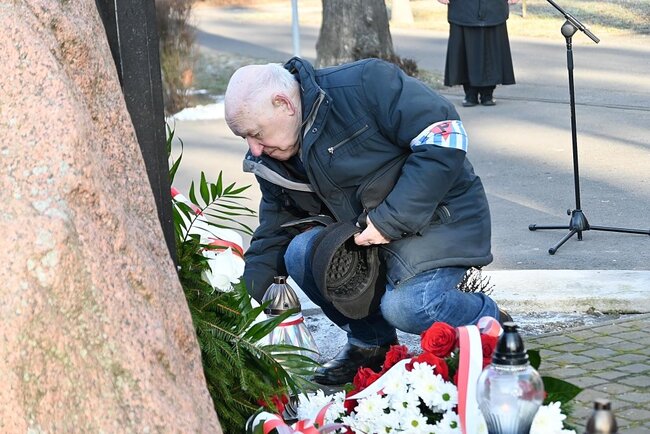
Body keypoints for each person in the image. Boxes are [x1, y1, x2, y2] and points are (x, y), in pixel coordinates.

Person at [224, 57, 510, 385]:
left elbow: (446, 137)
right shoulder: (274, 158)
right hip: (365, 241)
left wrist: (390, 221)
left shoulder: (365, 83)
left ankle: (489, 320)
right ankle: (370, 345)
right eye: (245, 139)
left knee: (408, 307)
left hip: (438, 220)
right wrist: (242, 305)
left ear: (284, 104)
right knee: (300, 252)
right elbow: (275, 229)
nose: (254, 149)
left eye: (256, 133)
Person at [438, 0, 520, 107]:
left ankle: (488, 93)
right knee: (465, 46)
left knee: (491, 48)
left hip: (494, 6)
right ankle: (470, 94)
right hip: (463, 7)